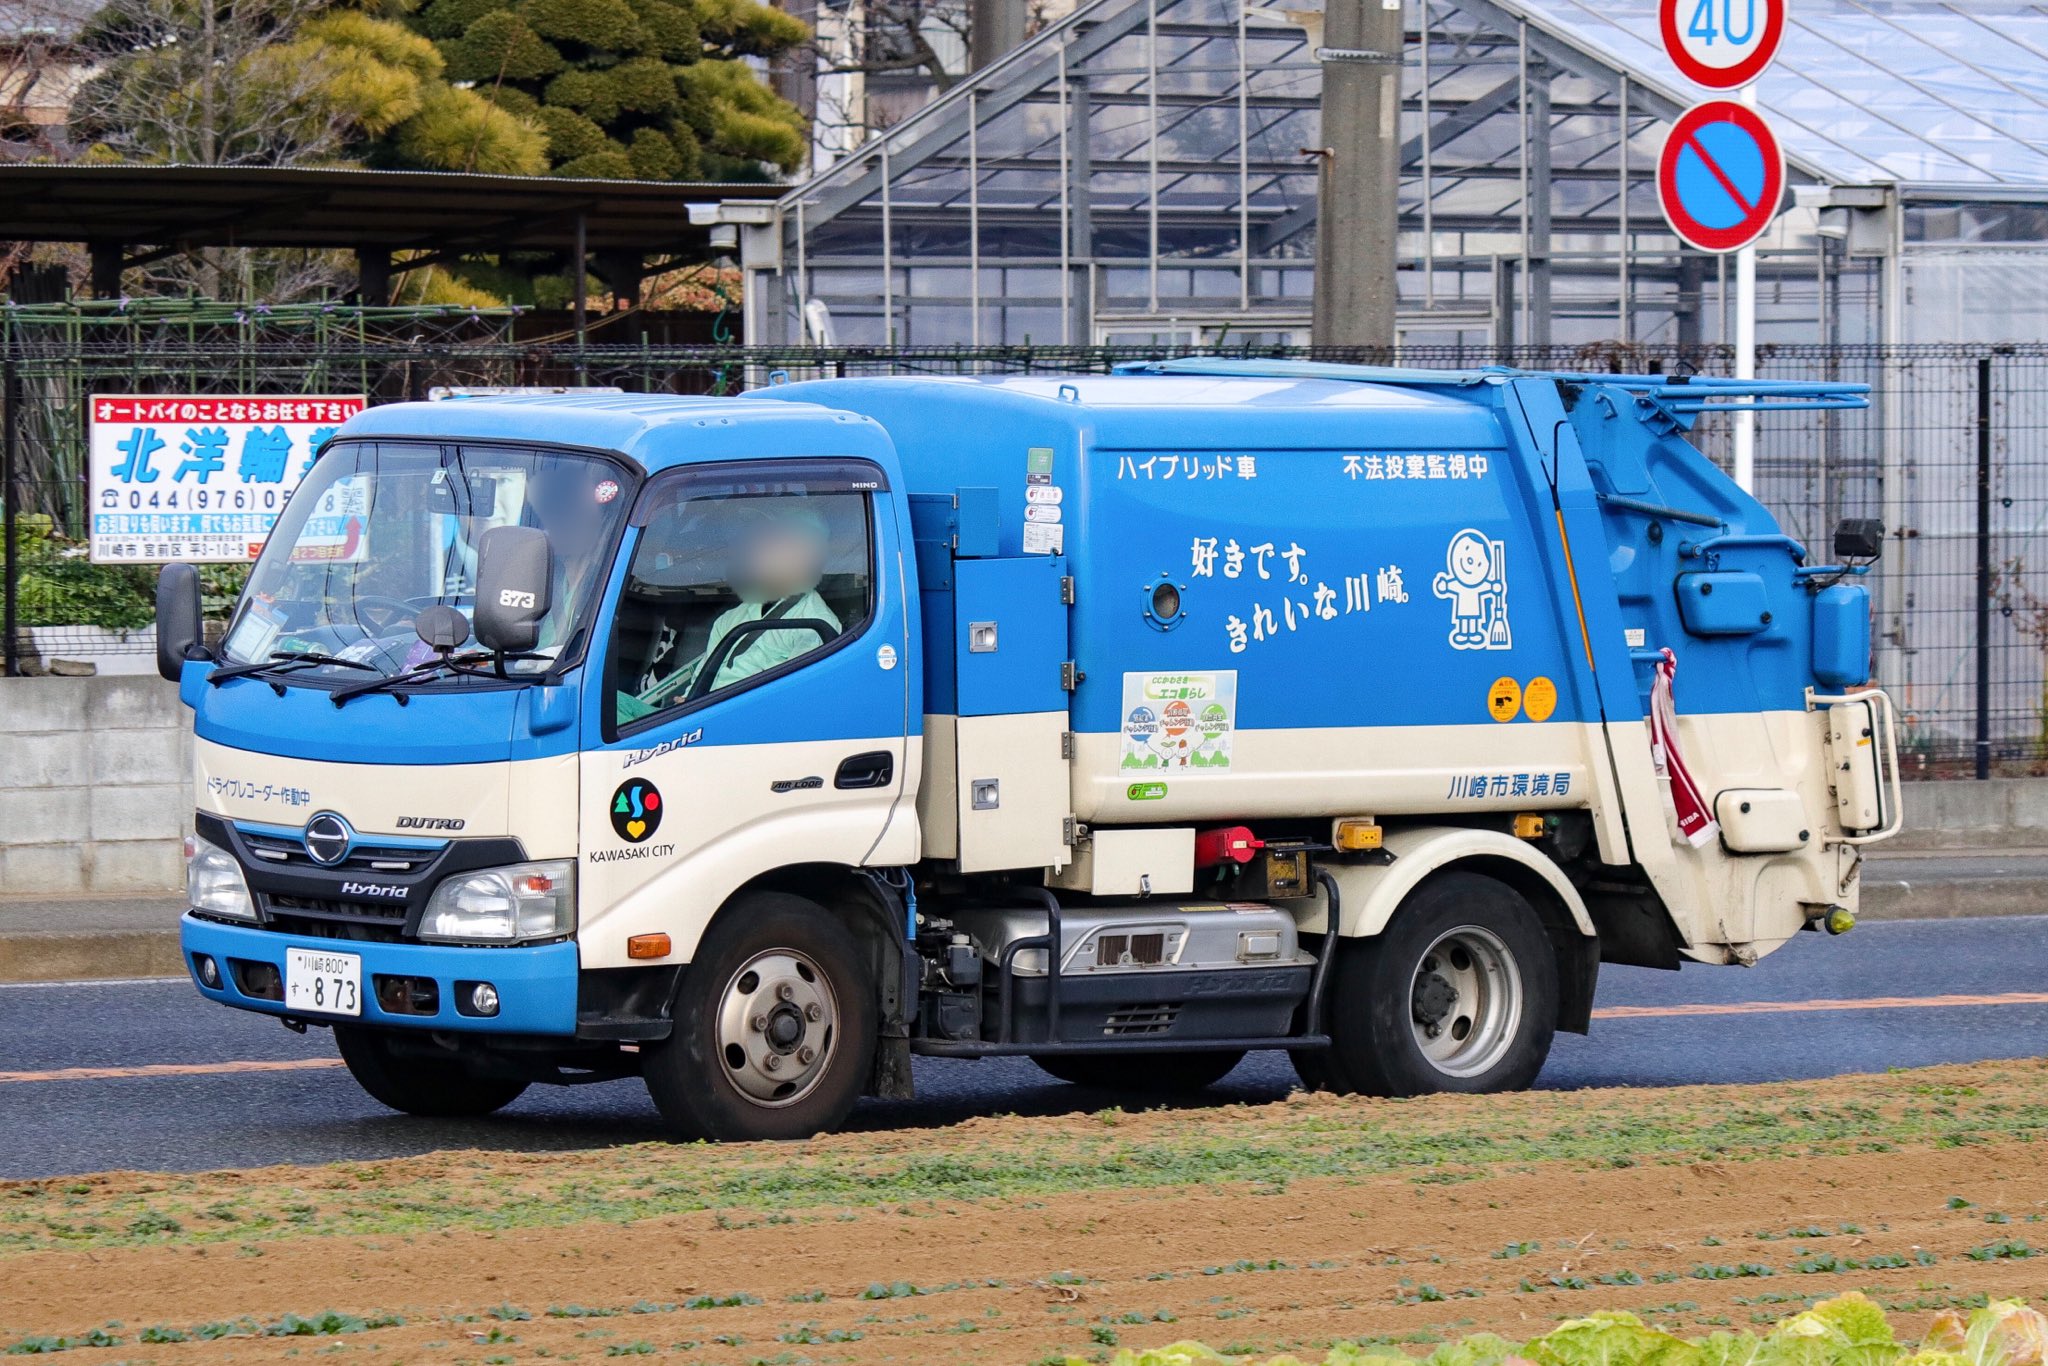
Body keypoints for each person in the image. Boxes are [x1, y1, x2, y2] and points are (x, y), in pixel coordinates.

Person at [618, 499, 841, 723]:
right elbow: (701, 679)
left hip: (736, 726)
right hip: (694, 715)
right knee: (608, 707)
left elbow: (794, 703)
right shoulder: (735, 615)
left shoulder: (817, 625)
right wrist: (688, 701)